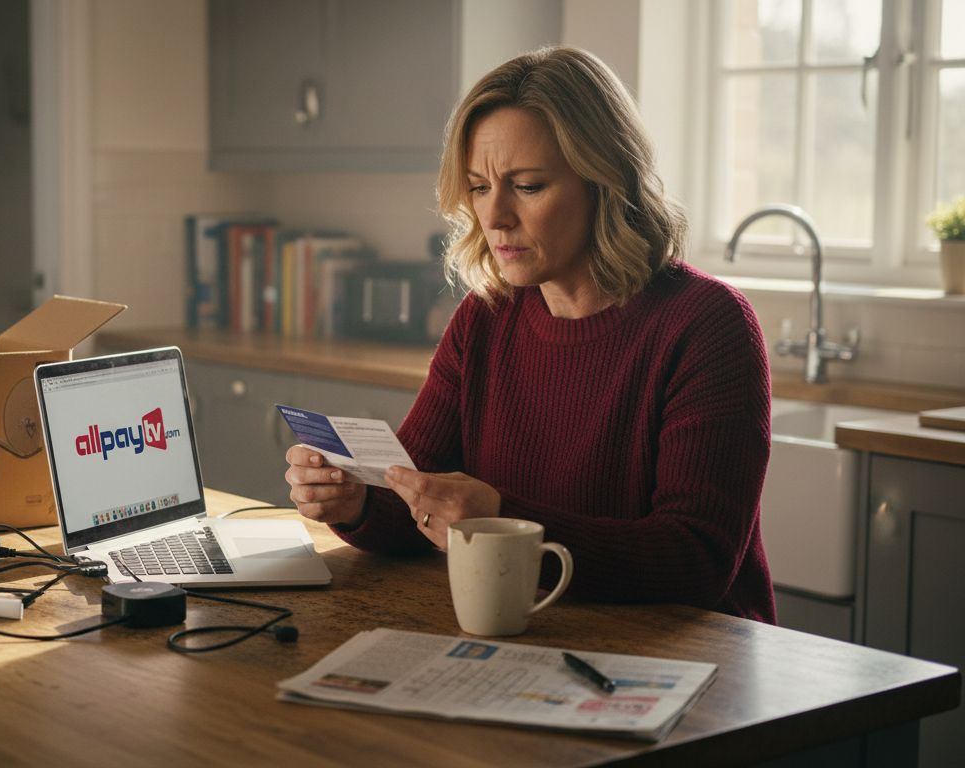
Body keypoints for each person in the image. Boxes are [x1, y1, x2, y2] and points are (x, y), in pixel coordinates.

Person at [284, 46, 775, 623]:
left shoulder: (706, 325)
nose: (494, 217)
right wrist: (358, 500)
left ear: (606, 183)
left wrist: (500, 520)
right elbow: (421, 502)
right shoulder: (485, 319)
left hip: (696, 659)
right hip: (536, 634)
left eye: (528, 186)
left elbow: (696, 560)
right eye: (478, 187)